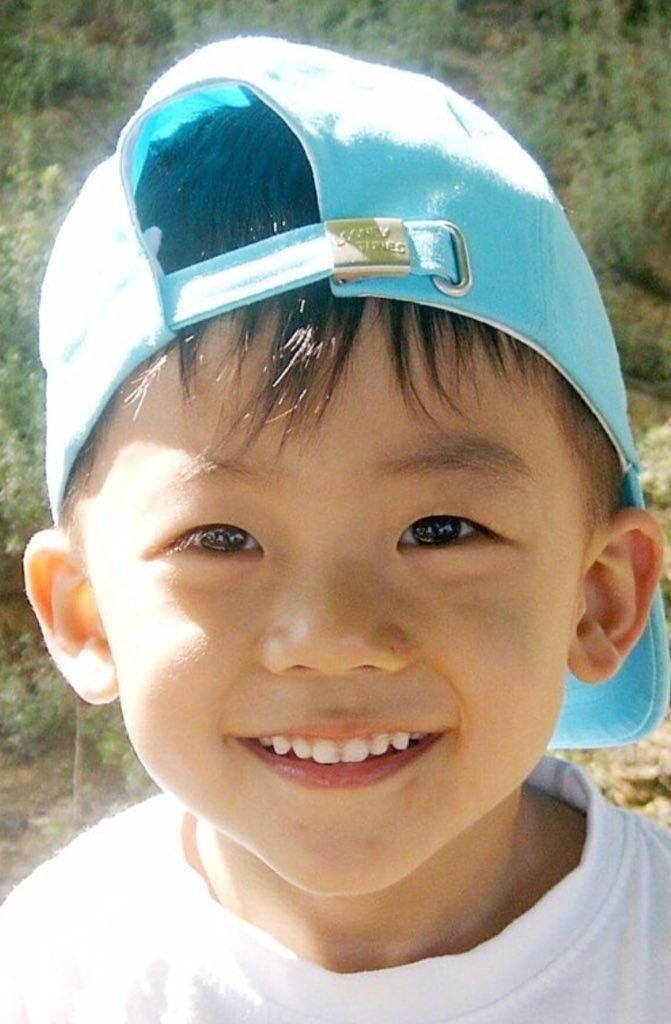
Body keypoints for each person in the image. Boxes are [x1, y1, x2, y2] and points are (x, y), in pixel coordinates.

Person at [1, 34, 669, 1023]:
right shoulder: (54, 974)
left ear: (598, 595)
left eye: (439, 529)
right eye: (220, 539)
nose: (332, 636)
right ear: (86, 613)